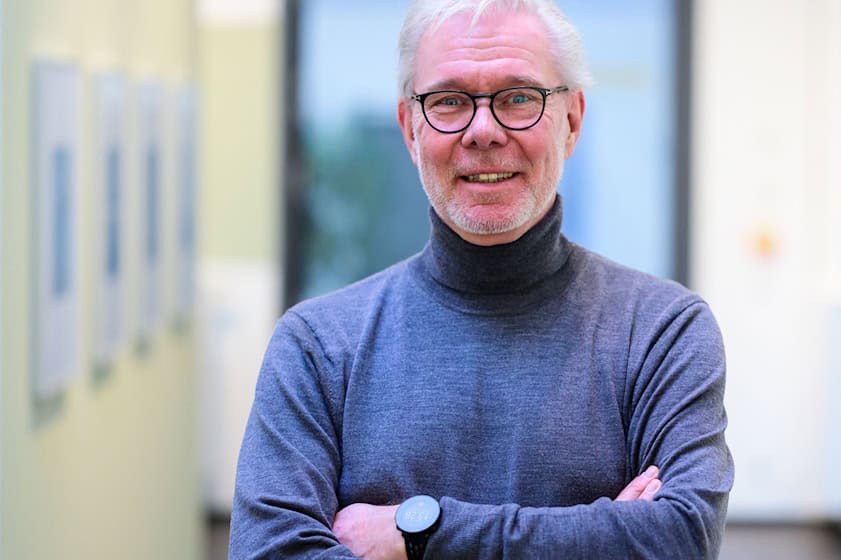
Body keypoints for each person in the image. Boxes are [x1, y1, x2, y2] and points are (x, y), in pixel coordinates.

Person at [229, 0, 734, 558]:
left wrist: (418, 531)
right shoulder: (319, 346)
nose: (484, 131)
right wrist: (601, 534)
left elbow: (684, 538)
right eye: (449, 102)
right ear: (410, 128)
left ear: (571, 120)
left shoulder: (662, 332)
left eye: (519, 98)